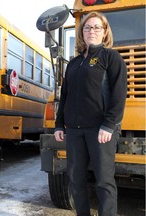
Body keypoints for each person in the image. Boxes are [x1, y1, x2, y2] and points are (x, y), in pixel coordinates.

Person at [54, 11, 127, 216]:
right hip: (75, 131)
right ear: (81, 33)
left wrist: (109, 124)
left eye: (97, 27)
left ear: (104, 33)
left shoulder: (111, 57)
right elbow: (65, 95)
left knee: (104, 181)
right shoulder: (74, 63)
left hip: (100, 130)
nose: (91, 31)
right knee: (76, 179)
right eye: (87, 27)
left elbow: (120, 94)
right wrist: (59, 125)